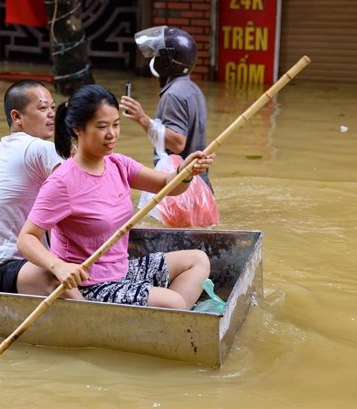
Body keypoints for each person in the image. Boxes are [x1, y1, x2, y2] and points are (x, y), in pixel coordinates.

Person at [18, 84, 213, 309]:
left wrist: (185, 173)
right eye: (102, 127)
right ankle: (172, 316)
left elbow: (168, 185)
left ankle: (168, 321)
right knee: (174, 303)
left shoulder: (118, 164)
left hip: (123, 270)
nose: (112, 134)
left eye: (116, 125)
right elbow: (27, 238)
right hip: (90, 284)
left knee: (198, 260)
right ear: (77, 129)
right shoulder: (62, 181)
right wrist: (58, 267)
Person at [0, 79, 83, 299]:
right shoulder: (40, 148)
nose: (51, 114)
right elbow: (80, 196)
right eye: (42, 108)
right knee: (58, 278)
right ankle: (95, 322)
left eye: (52, 107)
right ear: (17, 117)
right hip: (1, 267)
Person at [120, 25, 212, 191]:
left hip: (182, 191)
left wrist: (142, 119)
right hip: (200, 188)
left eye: (157, 55)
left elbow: (177, 144)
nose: (154, 59)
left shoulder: (173, 94)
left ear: (167, 61)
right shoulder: (193, 89)